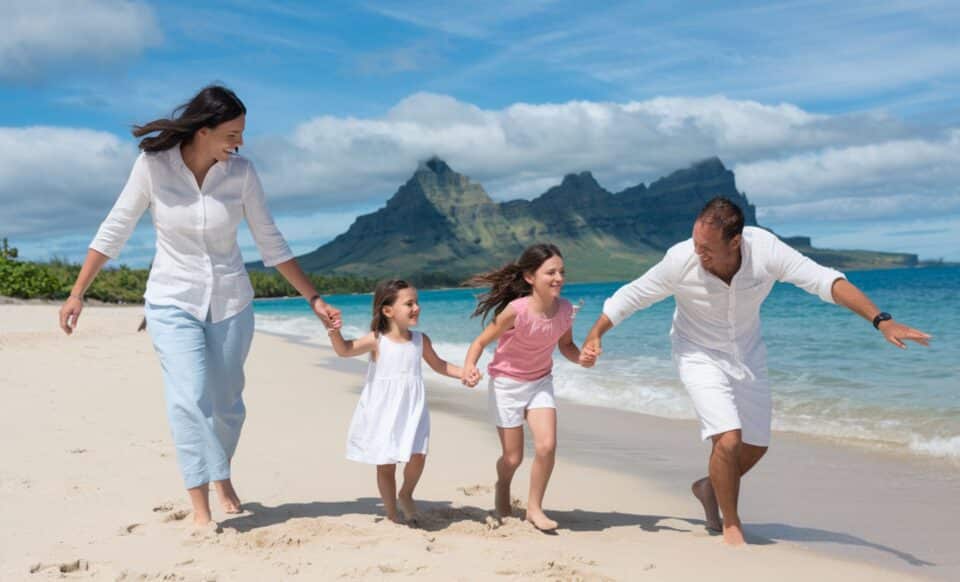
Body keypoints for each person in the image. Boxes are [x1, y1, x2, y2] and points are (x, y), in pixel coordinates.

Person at [57, 85, 341, 527]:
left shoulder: (242, 174)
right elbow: (116, 227)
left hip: (230, 299)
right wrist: (78, 292)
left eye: (242, 133)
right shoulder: (153, 166)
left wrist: (314, 297)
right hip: (172, 298)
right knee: (188, 399)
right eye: (233, 133)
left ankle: (220, 473)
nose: (240, 142)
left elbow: (270, 240)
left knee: (227, 405)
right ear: (203, 130)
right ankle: (200, 508)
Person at [579, 196, 931, 545]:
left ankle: (708, 487)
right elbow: (633, 295)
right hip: (696, 351)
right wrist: (596, 332)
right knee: (727, 438)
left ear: (735, 241)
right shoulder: (680, 258)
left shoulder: (765, 250)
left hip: (747, 353)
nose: (698, 252)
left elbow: (825, 282)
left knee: (755, 445)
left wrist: (880, 320)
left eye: (707, 248)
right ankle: (731, 526)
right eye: (696, 243)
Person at [462, 243, 582, 531]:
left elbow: (566, 346)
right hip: (507, 384)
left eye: (562, 272)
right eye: (550, 272)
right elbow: (480, 342)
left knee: (547, 445)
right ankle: (502, 484)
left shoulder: (565, 309)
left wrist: (583, 358)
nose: (558, 278)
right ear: (530, 277)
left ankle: (534, 508)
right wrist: (469, 367)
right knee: (513, 457)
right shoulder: (516, 311)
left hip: (540, 381)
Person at [328, 279, 463, 523]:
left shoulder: (420, 340)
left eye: (417, 302)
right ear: (388, 311)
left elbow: (439, 365)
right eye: (409, 303)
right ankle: (392, 514)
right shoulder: (377, 340)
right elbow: (345, 350)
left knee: (418, 455)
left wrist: (463, 373)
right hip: (383, 410)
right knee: (386, 463)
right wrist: (334, 331)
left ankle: (407, 493)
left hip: (413, 408)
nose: (416, 307)